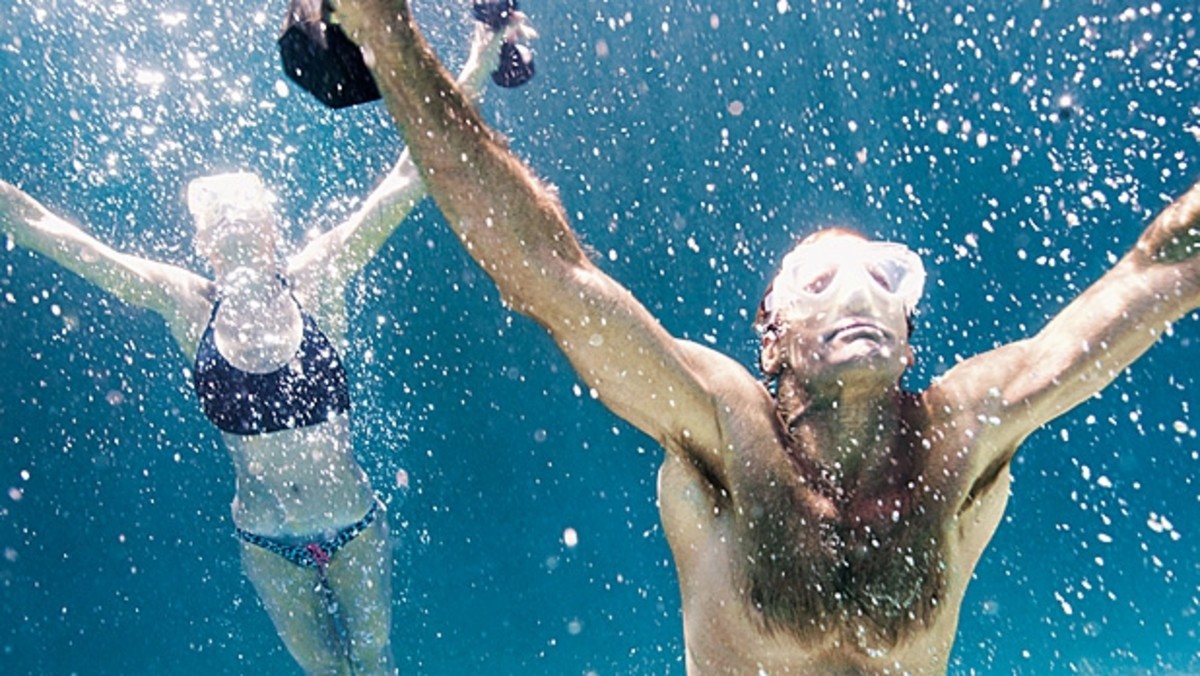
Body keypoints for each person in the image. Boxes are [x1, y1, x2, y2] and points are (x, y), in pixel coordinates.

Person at [330, 0, 1200, 673]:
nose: (860, 290)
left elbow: (1158, 273)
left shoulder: (960, 431)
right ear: (773, 338)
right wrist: (385, 31)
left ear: (908, 332)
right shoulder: (728, 429)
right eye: (817, 283)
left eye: (889, 276)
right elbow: (551, 279)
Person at [0, 12, 534, 675]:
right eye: (217, 222)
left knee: (373, 665)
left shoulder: (322, 271)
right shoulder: (183, 301)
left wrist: (482, 56)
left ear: (272, 229)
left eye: (245, 216)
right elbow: (51, 233)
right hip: (264, 539)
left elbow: (413, 172)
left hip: (354, 529)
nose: (232, 226)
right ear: (201, 243)